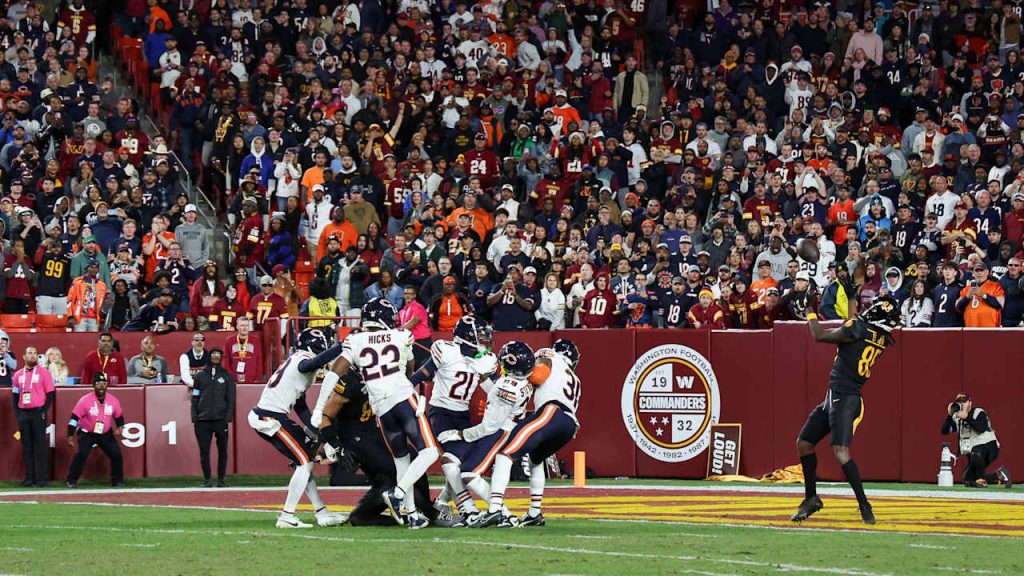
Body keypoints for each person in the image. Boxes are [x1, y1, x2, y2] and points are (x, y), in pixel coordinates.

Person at [314, 299, 439, 529]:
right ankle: (400, 496)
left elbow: (333, 372)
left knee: (404, 459)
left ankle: (413, 514)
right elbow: (409, 365)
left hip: (381, 414)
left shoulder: (355, 341)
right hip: (394, 404)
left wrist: (318, 407)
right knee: (430, 452)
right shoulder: (400, 335)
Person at [792, 296, 902, 525]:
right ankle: (811, 498)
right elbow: (852, 327)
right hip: (835, 396)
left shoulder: (859, 328)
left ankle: (864, 504)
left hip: (846, 397)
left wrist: (811, 312)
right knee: (804, 443)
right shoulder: (880, 336)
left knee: (841, 451)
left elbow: (819, 335)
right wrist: (852, 296)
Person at [246, 327, 347, 529]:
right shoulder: (304, 359)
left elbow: (300, 406)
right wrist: (341, 347)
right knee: (304, 461)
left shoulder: (295, 361)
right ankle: (286, 515)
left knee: (306, 459)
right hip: (270, 417)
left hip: (272, 415)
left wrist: (314, 429)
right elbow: (310, 364)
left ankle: (321, 511)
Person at [479, 339, 581, 527]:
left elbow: (539, 376)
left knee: (505, 455)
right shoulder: (575, 379)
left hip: (552, 412)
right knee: (535, 461)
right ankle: (534, 513)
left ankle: (494, 509)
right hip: (569, 425)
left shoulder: (550, 355)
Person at [410, 316, 497, 521]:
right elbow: (423, 373)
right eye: (480, 335)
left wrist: (484, 377)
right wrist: (405, 387)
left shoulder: (485, 359)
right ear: (468, 336)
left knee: (460, 461)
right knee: (452, 459)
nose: (485, 340)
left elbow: (495, 393)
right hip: (441, 413)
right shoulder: (446, 350)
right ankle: (467, 507)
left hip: (463, 415)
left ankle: (441, 502)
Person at [66, 373, 126, 488]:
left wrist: (120, 426)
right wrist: (70, 435)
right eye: (98, 384)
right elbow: (74, 418)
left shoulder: (113, 400)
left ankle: (118, 480)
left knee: (116, 454)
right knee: (81, 455)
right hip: (87, 433)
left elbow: (118, 415)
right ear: (94, 386)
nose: (101, 386)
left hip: (105, 433)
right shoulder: (85, 400)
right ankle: (71, 480)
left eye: (104, 384)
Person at [942, 394, 1012, 488]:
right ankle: (999, 475)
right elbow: (945, 430)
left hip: (989, 447)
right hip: (973, 452)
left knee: (976, 453)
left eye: (964, 402)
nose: (961, 404)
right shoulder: (957, 417)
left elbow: (981, 428)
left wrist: (967, 417)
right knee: (968, 479)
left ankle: (981, 481)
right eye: (959, 402)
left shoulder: (978, 412)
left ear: (970, 403)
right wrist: (949, 416)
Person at [13, 346, 56, 487]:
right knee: (27, 448)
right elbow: (15, 395)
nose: (33, 355)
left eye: (35, 353)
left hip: (38, 412)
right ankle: (29, 478)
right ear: (24, 357)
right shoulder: (18, 375)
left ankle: (42, 479)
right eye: (30, 353)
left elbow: (50, 393)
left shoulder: (44, 373)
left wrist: (44, 411)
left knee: (40, 447)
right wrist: (18, 414)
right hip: (24, 413)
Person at [192, 348, 235, 488]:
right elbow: (195, 397)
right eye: (213, 355)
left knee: (223, 451)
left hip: (220, 419)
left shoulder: (227, 376)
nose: (216, 357)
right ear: (209, 357)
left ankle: (221, 480)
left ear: (221, 357)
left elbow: (231, 398)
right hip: (202, 420)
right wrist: (194, 416)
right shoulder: (200, 376)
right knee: (204, 451)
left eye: (218, 355)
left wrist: (228, 416)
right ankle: (207, 480)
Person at [956, 261, 1005, 327]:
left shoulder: (996, 286)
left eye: (981, 270)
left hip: (990, 327)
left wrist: (984, 295)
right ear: (973, 273)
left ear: (987, 272)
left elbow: (1000, 305)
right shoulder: (966, 289)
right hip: (971, 327)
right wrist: (966, 298)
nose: (979, 273)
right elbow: (958, 308)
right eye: (977, 270)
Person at [225, 318, 263, 384]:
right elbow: (226, 360)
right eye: (242, 325)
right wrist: (229, 377)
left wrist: (257, 378)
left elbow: (259, 359)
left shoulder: (256, 340)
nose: (245, 328)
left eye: (247, 325)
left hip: (251, 379)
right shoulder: (229, 340)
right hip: (234, 379)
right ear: (237, 326)